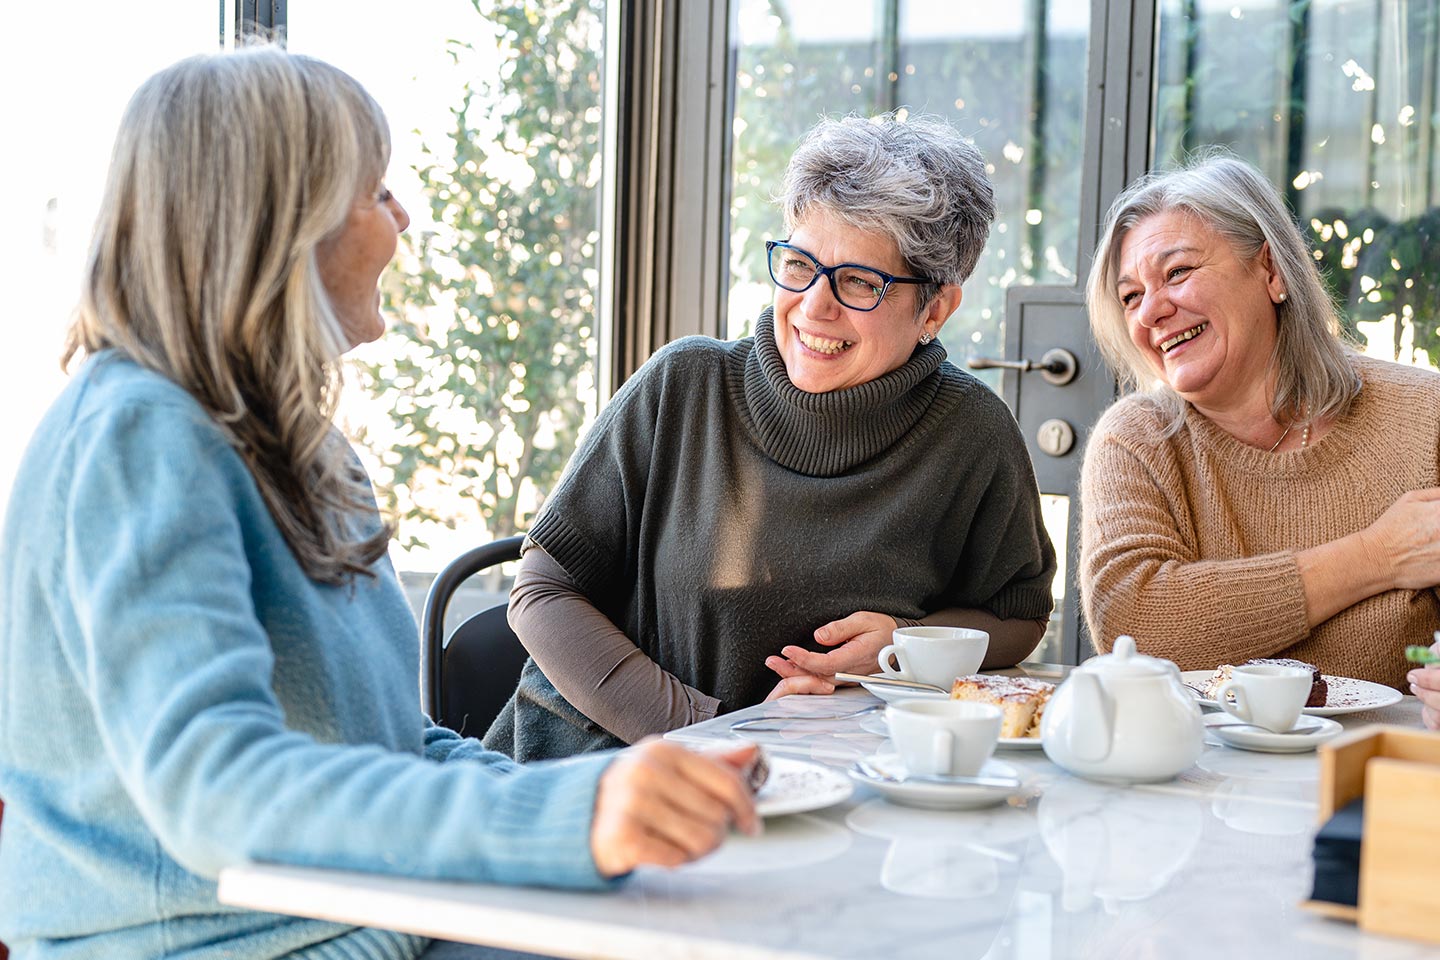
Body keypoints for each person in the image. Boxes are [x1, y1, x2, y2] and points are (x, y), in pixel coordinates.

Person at [0, 47, 761, 960]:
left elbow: (393, 744)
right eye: (377, 192)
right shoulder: (138, 436)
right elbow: (214, 788)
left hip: (364, 919)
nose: (403, 219)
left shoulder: (302, 450)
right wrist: (565, 818)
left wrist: (604, 793)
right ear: (279, 224)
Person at [485, 114, 1058, 762]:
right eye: (799, 264)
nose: (814, 305)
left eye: (860, 282)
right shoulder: (684, 386)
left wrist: (907, 644)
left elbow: (1016, 617)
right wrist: (719, 729)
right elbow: (541, 591)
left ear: (935, 309)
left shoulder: (971, 433)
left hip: (829, 792)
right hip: (598, 775)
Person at [1080, 153, 1440, 697]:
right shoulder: (1136, 440)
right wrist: (1378, 556)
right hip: (1193, 774)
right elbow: (1134, 622)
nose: (1151, 312)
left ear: (1271, 272)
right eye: (1131, 297)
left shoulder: (1425, 416)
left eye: (1177, 272)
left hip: (1384, 769)